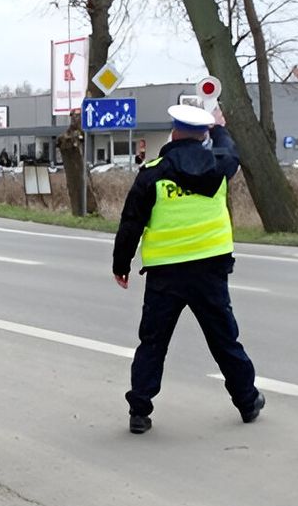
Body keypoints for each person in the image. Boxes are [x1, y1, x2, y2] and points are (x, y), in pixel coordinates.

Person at [112, 103, 264, 434]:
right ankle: (248, 401)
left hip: (165, 274)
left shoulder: (152, 173)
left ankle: (139, 411)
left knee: (153, 343)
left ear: (174, 132)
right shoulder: (221, 166)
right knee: (225, 340)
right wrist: (220, 126)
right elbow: (230, 150)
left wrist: (120, 264)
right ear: (204, 135)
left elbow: (131, 224)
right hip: (210, 271)